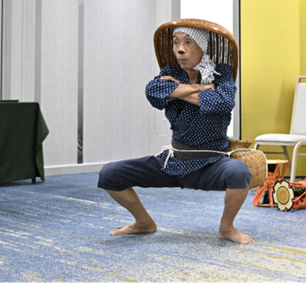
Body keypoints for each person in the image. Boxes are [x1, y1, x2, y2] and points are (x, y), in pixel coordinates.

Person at [98, 25, 253, 243]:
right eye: (176, 42)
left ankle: (227, 228)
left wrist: (176, 91)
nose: (180, 49)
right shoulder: (171, 72)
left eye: (188, 42)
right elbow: (152, 92)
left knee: (239, 171)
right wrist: (201, 88)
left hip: (211, 164)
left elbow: (223, 102)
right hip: (173, 162)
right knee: (110, 174)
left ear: (202, 47)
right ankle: (144, 223)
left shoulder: (221, 73)